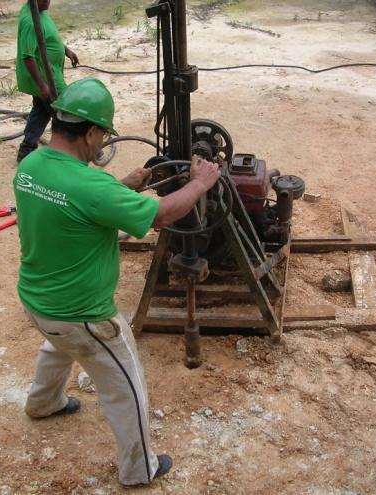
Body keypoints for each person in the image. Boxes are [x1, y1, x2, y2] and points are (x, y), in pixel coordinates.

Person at [13, 77, 220, 486]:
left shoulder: (31, 167)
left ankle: (43, 402)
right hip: (85, 314)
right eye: (101, 135)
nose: (101, 144)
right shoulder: (90, 186)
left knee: (56, 343)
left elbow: (79, 201)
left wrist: (125, 185)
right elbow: (160, 216)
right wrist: (199, 183)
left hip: (38, 299)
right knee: (125, 387)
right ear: (90, 131)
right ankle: (139, 469)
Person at [15, 0, 79, 163]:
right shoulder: (30, 21)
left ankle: (27, 149)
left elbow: (46, 38)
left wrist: (66, 50)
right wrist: (42, 85)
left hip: (50, 74)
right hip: (47, 78)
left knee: (40, 112)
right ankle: (70, 152)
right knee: (64, 114)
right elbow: (27, 56)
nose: (49, 1)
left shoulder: (39, 13)